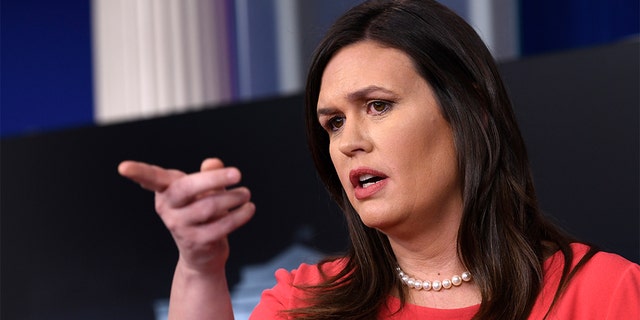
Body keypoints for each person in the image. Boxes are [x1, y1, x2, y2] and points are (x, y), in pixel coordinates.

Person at [118, 0, 640, 319]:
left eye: (378, 105)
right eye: (334, 123)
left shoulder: (608, 292)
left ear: (473, 112)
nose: (348, 142)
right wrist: (201, 268)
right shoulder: (305, 301)